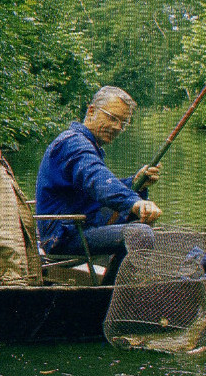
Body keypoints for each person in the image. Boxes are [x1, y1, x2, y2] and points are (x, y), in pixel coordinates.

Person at [35, 86, 162, 283]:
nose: (118, 127)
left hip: (79, 226)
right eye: (113, 118)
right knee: (140, 234)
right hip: (62, 237)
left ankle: (113, 287)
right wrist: (134, 202)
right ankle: (112, 297)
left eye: (123, 123)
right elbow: (98, 180)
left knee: (135, 222)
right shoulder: (73, 144)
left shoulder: (86, 145)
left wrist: (137, 183)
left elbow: (97, 185)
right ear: (91, 111)